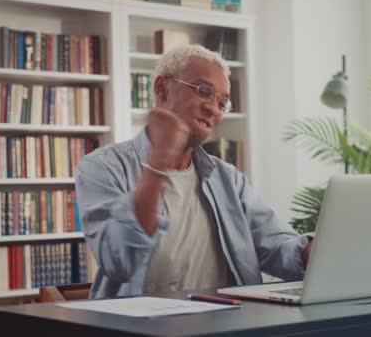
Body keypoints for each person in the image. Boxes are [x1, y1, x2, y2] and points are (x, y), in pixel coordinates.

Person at [75, 44, 312, 299]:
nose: (214, 109)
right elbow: (119, 261)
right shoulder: (101, 167)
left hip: (227, 324)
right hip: (138, 326)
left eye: (222, 102)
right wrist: (158, 163)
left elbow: (279, 249)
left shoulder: (228, 178)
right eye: (204, 91)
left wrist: (324, 248)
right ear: (163, 89)